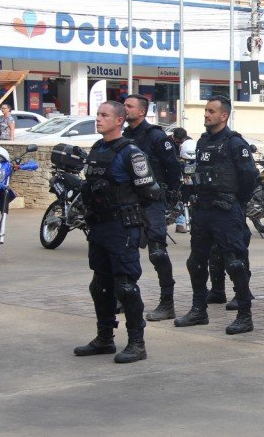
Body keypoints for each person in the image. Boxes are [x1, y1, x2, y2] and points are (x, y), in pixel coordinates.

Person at [73, 100, 160, 364]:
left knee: (125, 286)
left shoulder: (130, 152)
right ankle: (104, 338)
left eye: (104, 115)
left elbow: (150, 191)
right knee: (100, 284)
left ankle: (137, 342)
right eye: (97, 114)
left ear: (119, 120)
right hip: (98, 225)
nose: (98, 119)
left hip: (121, 226)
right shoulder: (98, 148)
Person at [173, 96, 258, 334]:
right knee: (196, 261)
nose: (206, 115)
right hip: (204, 209)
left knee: (235, 263)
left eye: (211, 111)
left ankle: (245, 315)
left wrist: (237, 202)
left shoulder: (234, 143)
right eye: (205, 111)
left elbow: (250, 176)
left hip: (226, 210)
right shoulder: (202, 142)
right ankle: (198, 310)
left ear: (224, 116)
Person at [122, 94, 183, 322]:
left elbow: (173, 168)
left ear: (141, 111)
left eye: (129, 106)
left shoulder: (156, 137)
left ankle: (167, 303)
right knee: (123, 250)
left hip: (151, 201)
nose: (125, 109)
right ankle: (124, 297)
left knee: (157, 252)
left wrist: (167, 195)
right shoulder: (124, 136)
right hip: (127, 201)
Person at [169, 127, 192, 233]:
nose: (179, 143)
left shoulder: (189, 142)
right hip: (172, 172)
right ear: (174, 137)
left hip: (187, 171)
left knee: (184, 197)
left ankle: (180, 223)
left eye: (181, 141)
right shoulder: (167, 142)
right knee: (174, 197)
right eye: (177, 141)